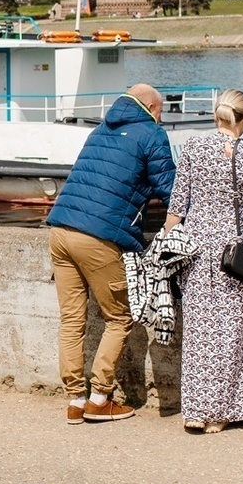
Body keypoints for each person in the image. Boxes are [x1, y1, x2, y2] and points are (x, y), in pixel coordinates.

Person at [46, 83, 176, 424]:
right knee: (119, 317)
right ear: (150, 106)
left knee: (72, 321)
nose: (161, 118)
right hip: (98, 236)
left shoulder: (100, 130)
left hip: (60, 230)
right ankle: (100, 398)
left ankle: (75, 401)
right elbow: (171, 189)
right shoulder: (151, 134)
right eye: (160, 112)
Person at [161, 89, 243, 434]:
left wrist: (169, 240)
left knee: (200, 329)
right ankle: (221, 412)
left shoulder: (194, 148)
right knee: (232, 330)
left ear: (217, 116)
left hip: (197, 243)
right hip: (235, 245)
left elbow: (177, 203)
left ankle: (196, 412)